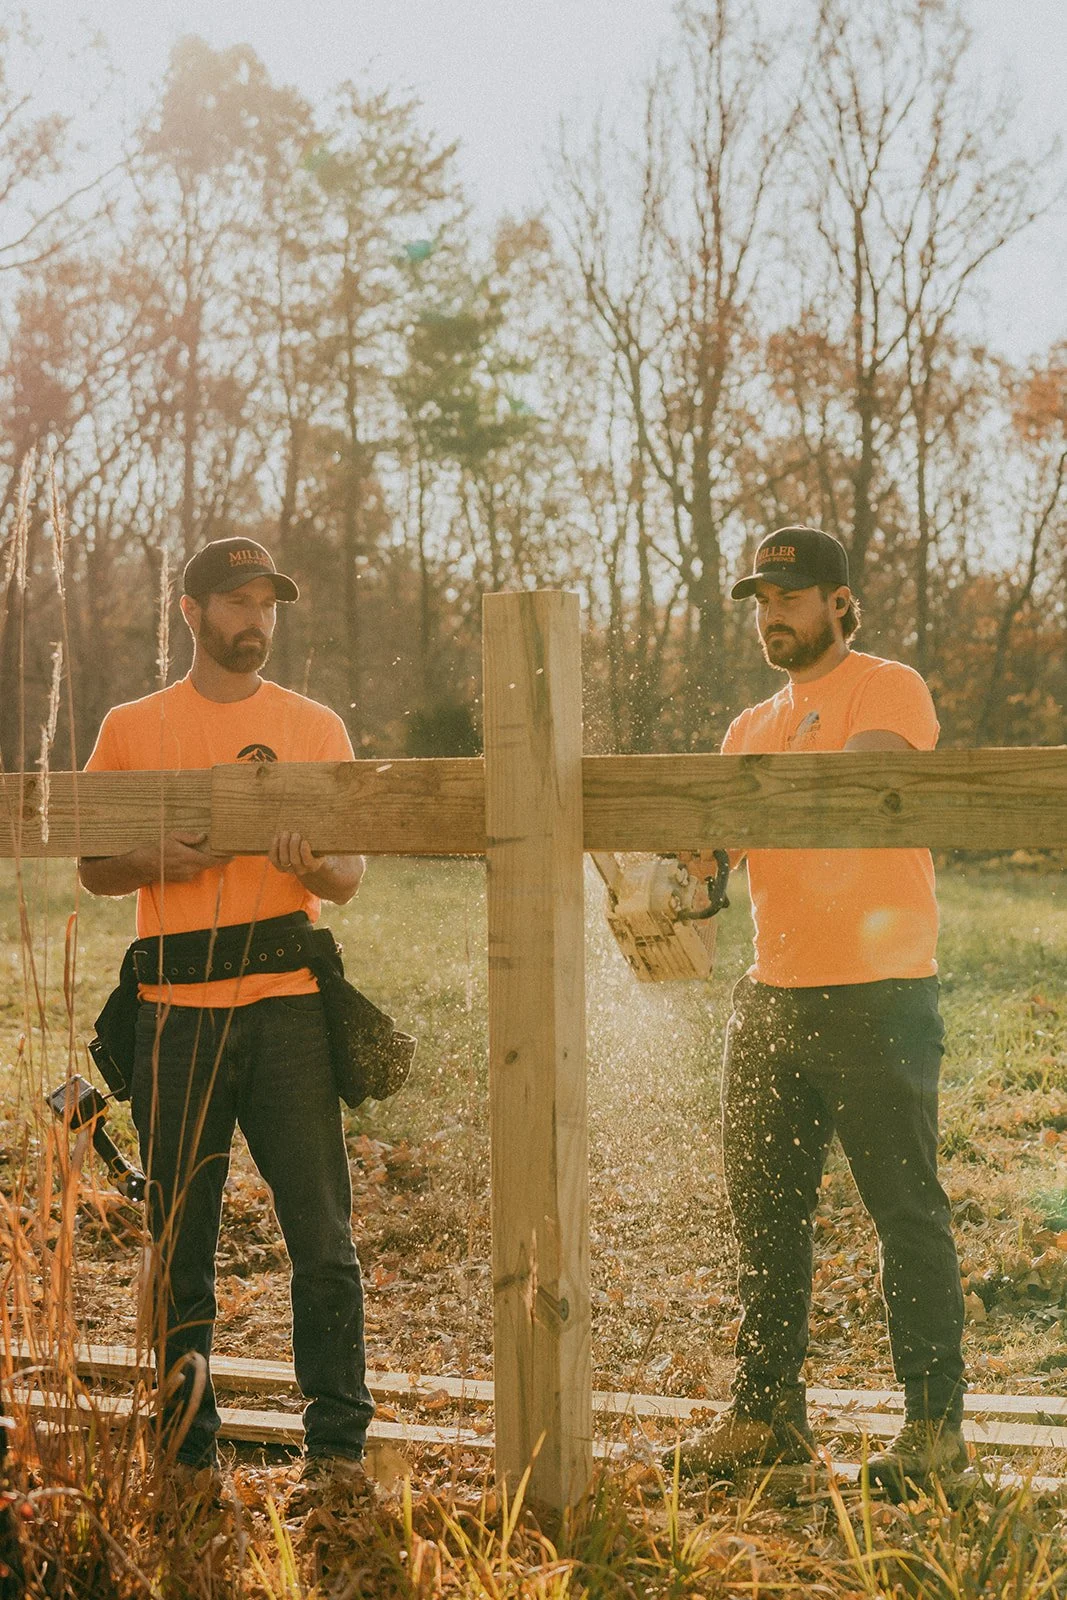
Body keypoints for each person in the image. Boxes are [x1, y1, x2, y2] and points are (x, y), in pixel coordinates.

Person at [671, 526, 967, 1493]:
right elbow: (720, 861)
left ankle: (933, 1427)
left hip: (879, 993)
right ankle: (766, 1416)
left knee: (904, 1212)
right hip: (769, 996)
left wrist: (741, 816)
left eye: (789, 597)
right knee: (764, 1217)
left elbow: (854, 790)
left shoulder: (888, 686)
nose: (772, 615)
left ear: (839, 601)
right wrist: (694, 867)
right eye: (761, 601)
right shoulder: (748, 728)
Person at [80, 537, 375, 1500]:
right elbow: (91, 865)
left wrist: (308, 865)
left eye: (267, 606)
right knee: (181, 1241)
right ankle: (184, 1450)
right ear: (190, 613)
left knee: (321, 1241)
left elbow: (350, 876)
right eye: (236, 604)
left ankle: (334, 1449)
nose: (254, 621)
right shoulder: (131, 726)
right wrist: (154, 858)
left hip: (288, 1011)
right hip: (174, 1018)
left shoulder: (313, 723)